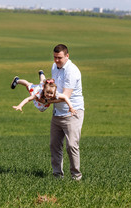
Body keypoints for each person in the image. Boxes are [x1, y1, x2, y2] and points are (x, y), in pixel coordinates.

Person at [50, 44, 84, 180]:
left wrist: (45, 101)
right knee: (54, 145)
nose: (56, 60)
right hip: (57, 113)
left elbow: (65, 96)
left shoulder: (72, 71)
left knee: (71, 146)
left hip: (72, 113)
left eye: (59, 58)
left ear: (67, 56)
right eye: (54, 57)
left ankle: (76, 177)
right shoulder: (54, 67)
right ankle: (57, 176)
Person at [11, 71, 77, 115]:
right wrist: (20, 105)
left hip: (43, 91)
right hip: (35, 90)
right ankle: (17, 80)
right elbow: (28, 99)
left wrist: (70, 107)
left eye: (51, 93)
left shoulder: (55, 93)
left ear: (54, 92)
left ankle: (41, 73)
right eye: (47, 93)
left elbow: (65, 97)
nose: (49, 95)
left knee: (43, 81)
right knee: (28, 84)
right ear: (44, 90)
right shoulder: (38, 94)